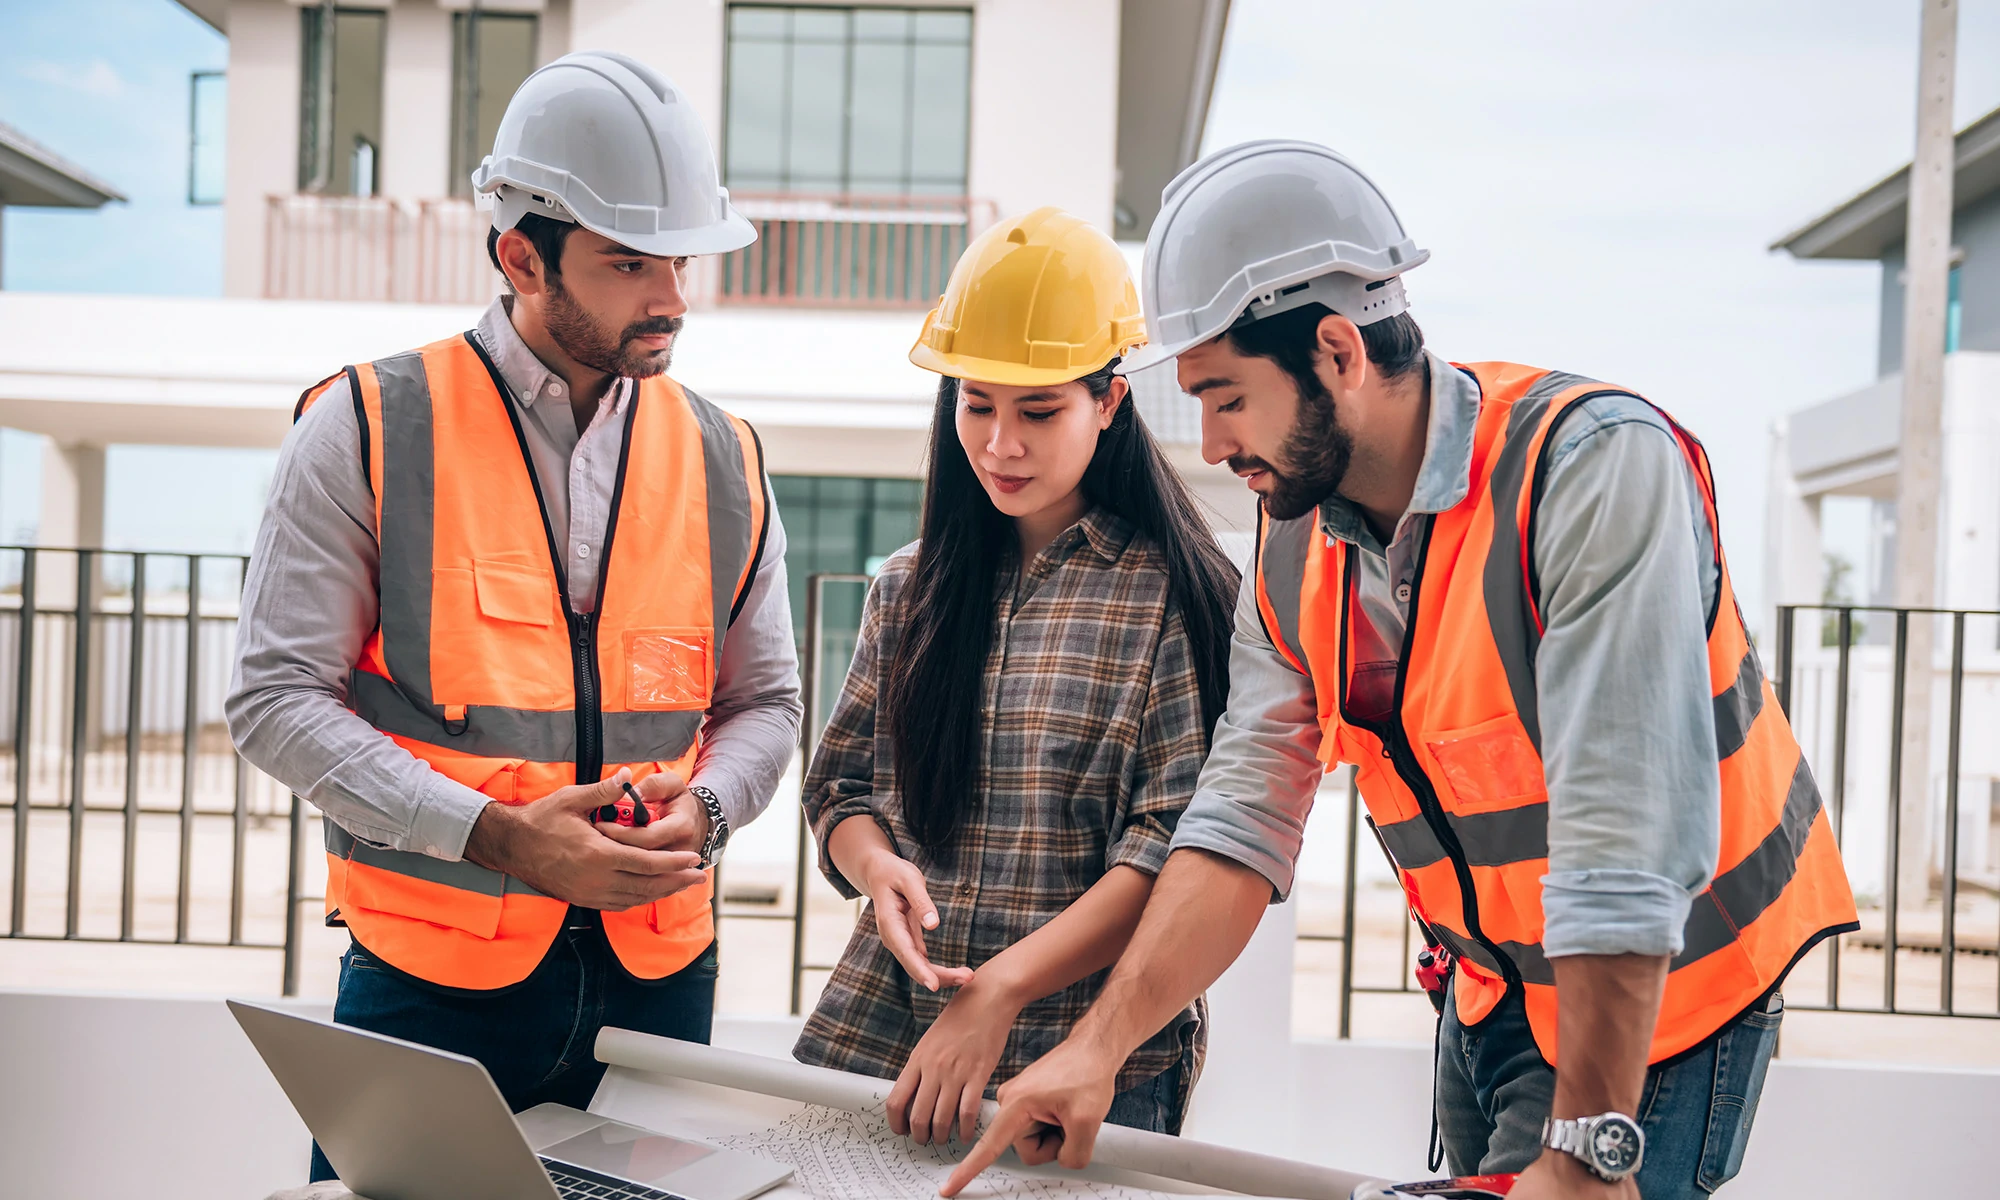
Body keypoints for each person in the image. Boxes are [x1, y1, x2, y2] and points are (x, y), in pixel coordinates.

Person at [947, 142, 1859, 1199]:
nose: (1207, 442)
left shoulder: (1588, 468)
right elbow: (1239, 820)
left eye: (1228, 397)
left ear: (1336, 351)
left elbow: (1624, 827)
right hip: (1486, 996)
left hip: (1661, 1005)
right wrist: (1096, 1049)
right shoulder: (1292, 546)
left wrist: (1590, 1143)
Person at [226, 52, 803, 1183]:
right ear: (520, 256)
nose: (672, 296)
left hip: (660, 982)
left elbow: (766, 701)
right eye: (630, 262)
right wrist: (496, 838)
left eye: (680, 257)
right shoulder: (365, 426)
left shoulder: (723, 456)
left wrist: (715, 812)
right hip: (428, 987)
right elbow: (272, 698)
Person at [791, 208, 1240, 1145]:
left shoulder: (1175, 600)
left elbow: (1167, 852)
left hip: (1082, 1059)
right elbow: (839, 788)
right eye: (976, 405)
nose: (1000, 445)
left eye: (1039, 411)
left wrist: (1000, 989)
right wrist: (879, 872)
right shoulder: (908, 587)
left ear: (1110, 402)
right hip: (892, 1032)